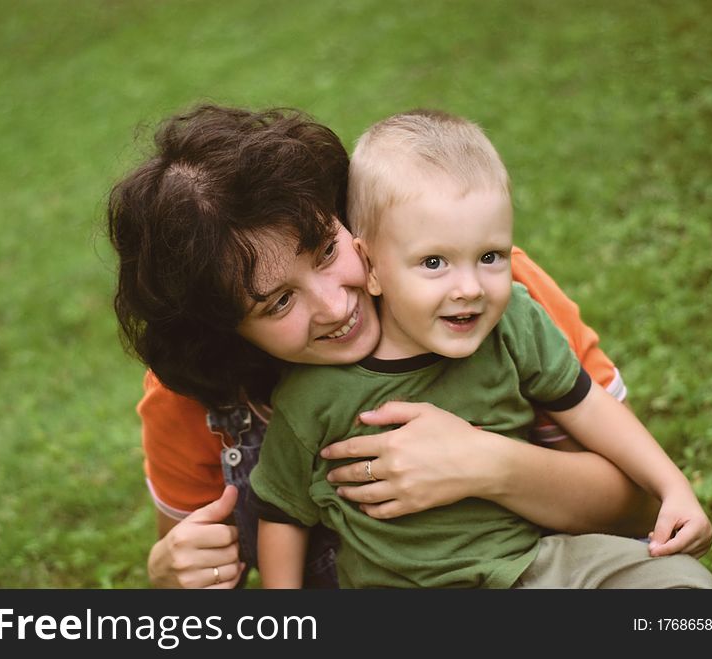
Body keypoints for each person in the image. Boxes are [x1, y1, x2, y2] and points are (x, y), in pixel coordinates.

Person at [108, 104, 665, 589]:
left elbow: (642, 508)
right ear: (224, 331)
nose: (334, 306)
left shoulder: (484, 298)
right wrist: (173, 575)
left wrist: (490, 464)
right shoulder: (191, 393)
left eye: (326, 250)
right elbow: (202, 580)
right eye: (277, 302)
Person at [249, 109, 712, 588]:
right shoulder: (312, 392)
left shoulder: (512, 321)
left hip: (531, 566)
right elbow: (283, 512)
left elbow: (588, 405)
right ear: (370, 265)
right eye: (434, 262)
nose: (470, 287)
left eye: (489, 256)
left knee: (680, 583)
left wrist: (672, 485)